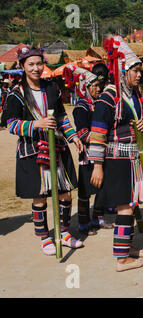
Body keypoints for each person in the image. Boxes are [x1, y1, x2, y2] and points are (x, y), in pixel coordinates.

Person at [2, 46, 84, 255]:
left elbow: (62, 117)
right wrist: (36, 125)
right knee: (39, 196)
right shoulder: (16, 94)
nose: (36, 68)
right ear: (22, 66)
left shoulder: (52, 88)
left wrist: (72, 136)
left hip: (57, 147)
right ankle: (45, 236)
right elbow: (9, 123)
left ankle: (64, 231)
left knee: (65, 193)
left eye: (39, 63)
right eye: (31, 64)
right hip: (33, 150)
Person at [89, 36, 143, 272]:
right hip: (116, 160)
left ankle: (128, 247)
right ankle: (122, 259)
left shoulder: (134, 95)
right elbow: (97, 133)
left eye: (140, 71)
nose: (139, 75)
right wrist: (97, 164)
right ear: (122, 70)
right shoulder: (109, 97)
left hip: (132, 159)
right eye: (135, 71)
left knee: (132, 204)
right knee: (125, 207)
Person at [68, 65, 114, 236]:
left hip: (101, 152)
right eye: (93, 86)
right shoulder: (81, 107)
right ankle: (83, 223)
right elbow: (82, 132)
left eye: (98, 85)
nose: (97, 88)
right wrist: (100, 139)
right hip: (88, 155)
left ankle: (97, 218)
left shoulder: (99, 104)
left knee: (102, 188)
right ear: (84, 88)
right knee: (86, 191)